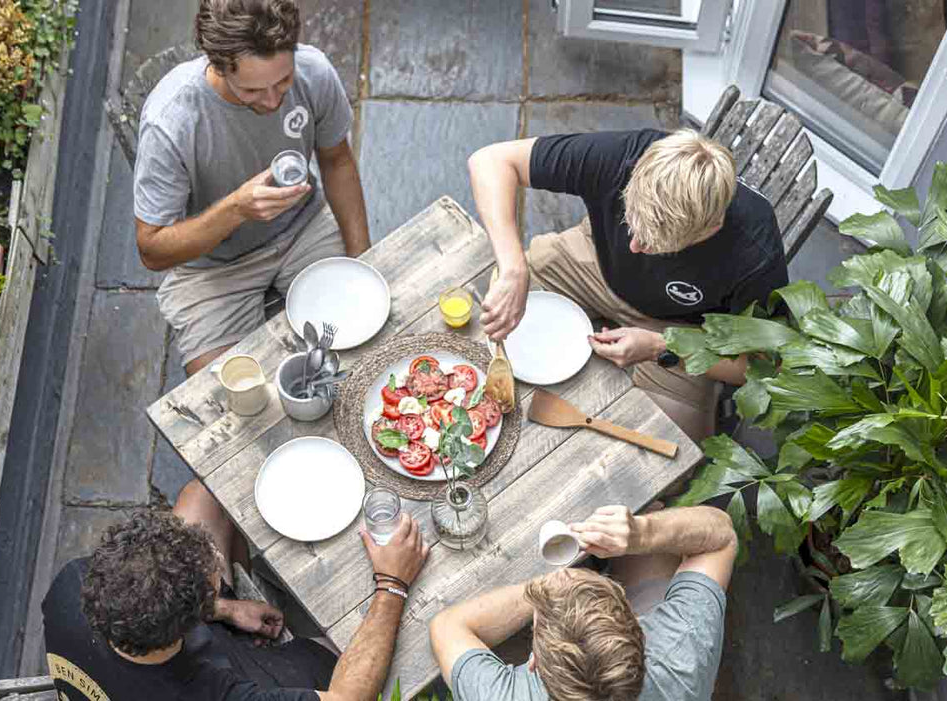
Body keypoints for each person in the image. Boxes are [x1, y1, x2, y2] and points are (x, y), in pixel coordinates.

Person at [469, 129, 787, 442]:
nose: (633, 246)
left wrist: (662, 347)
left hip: (678, 327)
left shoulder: (755, 250)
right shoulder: (623, 156)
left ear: (710, 229)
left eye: (654, 244)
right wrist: (513, 268)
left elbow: (766, 364)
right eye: (630, 222)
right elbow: (490, 161)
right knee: (481, 324)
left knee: (669, 449)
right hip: (591, 264)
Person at [134, 0, 369, 376]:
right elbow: (151, 249)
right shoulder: (171, 122)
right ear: (218, 66)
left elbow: (337, 161)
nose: (274, 101)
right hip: (212, 267)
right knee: (228, 395)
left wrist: (362, 260)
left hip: (303, 229)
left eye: (283, 81)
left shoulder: (314, 71)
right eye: (253, 90)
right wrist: (237, 209)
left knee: (365, 340)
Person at [42, 478, 430, 700]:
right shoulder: (209, 694)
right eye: (211, 569)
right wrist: (392, 584)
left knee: (202, 495)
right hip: (204, 679)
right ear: (188, 624)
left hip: (137, 669)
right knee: (333, 648)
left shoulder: (73, 584)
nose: (213, 554)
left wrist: (226, 609)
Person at [429, 504, 738, 701]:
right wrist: (642, 533)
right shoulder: (681, 652)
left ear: (534, 661)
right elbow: (722, 537)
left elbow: (446, 627)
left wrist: (540, 589)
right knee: (653, 507)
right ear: (639, 628)